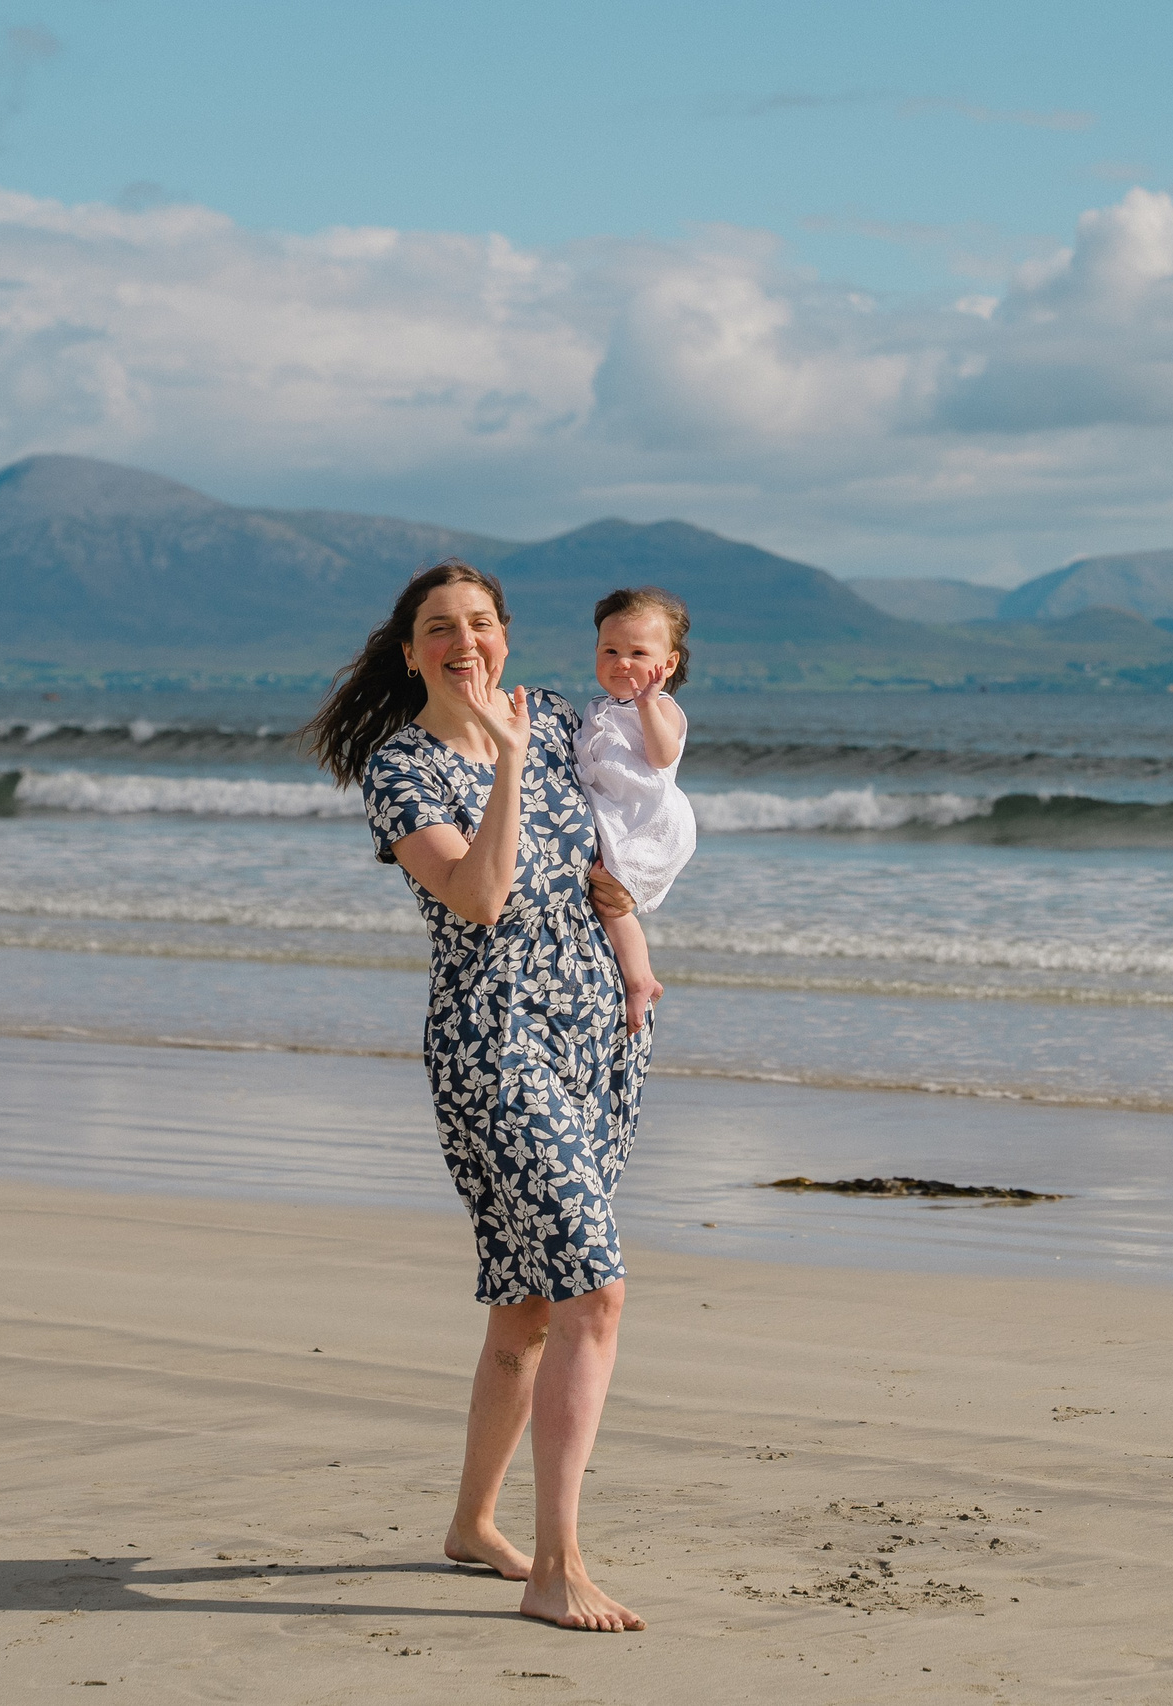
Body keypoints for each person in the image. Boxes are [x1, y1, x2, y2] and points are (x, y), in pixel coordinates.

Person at [304, 559, 649, 1633]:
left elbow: (631, 807)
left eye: (482, 623)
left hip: (597, 1034)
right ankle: (557, 1562)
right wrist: (500, 764)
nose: (466, 642)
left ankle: (470, 1523)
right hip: (493, 1045)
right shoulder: (400, 769)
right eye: (440, 629)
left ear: (506, 634)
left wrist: (635, 932)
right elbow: (480, 894)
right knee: (594, 1288)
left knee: (532, 1299)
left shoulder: (551, 715)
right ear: (409, 651)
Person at [576, 587, 698, 1035]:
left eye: (637, 652)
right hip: (615, 814)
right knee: (605, 899)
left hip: (646, 820)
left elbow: (663, 755)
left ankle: (640, 977)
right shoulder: (597, 709)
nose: (621, 662)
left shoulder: (662, 709)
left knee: (611, 900)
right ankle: (631, 977)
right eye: (610, 650)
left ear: (666, 665)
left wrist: (648, 703)